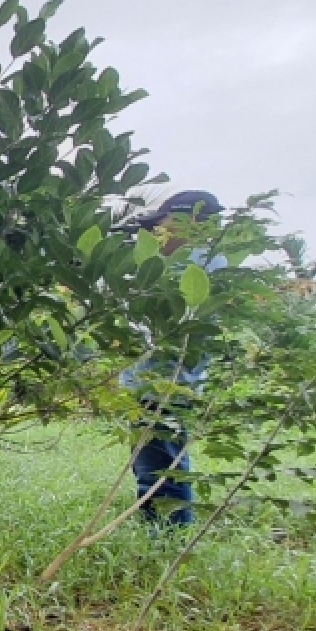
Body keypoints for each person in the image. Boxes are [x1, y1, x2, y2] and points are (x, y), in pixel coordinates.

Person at [119, 190, 225, 527]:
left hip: (165, 386)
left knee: (162, 474)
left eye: (159, 225)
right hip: (154, 385)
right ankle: (161, 533)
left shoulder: (197, 266)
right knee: (153, 468)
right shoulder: (190, 264)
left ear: (188, 221)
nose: (155, 235)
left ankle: (168, 538)